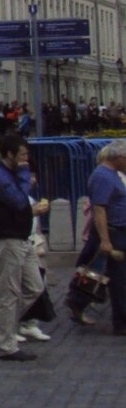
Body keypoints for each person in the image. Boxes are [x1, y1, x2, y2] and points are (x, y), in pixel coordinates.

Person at [0, 135, 49, 361]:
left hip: (21, 237)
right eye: (22, 155)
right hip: (7, 239)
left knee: (35, 287)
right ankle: (8, 345)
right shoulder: (0, 176)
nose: (25, 159)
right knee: (9, 293)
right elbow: (20, 201)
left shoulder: (9, 174)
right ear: (10, 154)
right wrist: (23, 173)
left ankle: (3, 325)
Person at [76, 140, 126, 335]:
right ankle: (121, 322)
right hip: (114, 231)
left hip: (119, 229)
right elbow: (99, 209)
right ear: (119, 158)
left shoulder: (112, 175)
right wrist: (105, 240)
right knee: (119, 279)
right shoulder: (103, 176)